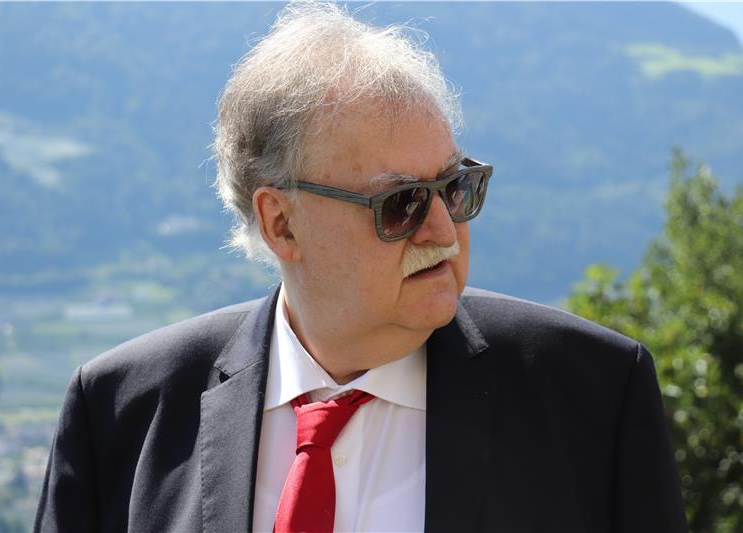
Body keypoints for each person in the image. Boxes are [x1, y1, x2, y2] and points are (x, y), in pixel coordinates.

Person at [35, 3, 687, 532]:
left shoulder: (592, 395)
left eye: (455, 187)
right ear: (281, 223)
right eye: (400, 202)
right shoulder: (119, 411)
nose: (444, 230)